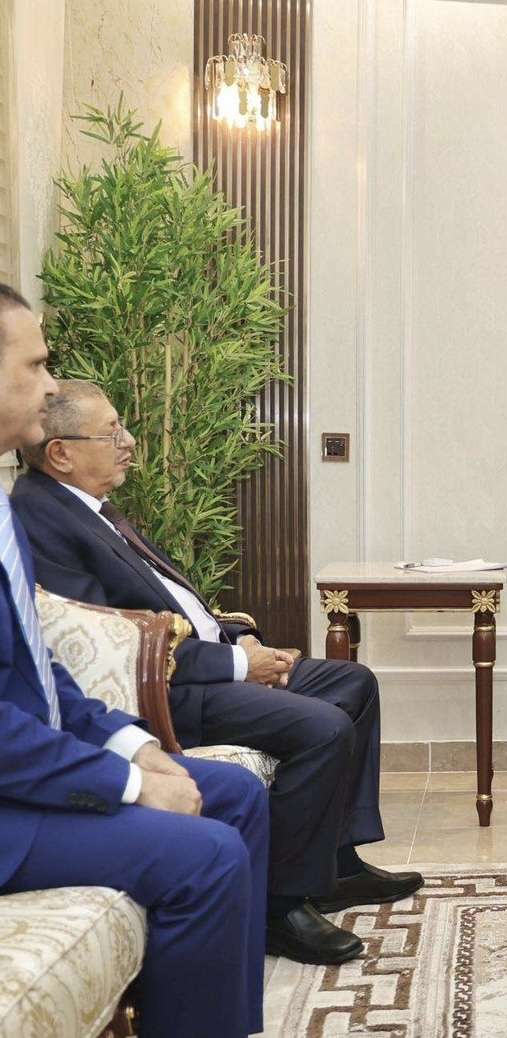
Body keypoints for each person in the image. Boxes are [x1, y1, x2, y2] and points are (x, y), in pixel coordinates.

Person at [11, 379, 422, 965]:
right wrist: (239, 664)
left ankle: (336, 863)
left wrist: (237, 640)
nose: (129, 441)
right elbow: (110, 640)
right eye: (112, 432)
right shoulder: (41, 517)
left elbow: (169, 608)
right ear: (61, 453)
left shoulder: (91, 508)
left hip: (206, 660)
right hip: (168, 688)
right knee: (323, 727)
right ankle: (282, 906)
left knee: (353, 682)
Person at [0, 283, 268, 1037]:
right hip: (8, 807)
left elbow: (37, 670)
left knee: (236, 795)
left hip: (24, 771)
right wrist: (126, 784)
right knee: (208, 856)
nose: (51, 385)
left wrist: (133, 745)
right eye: (36, 365)